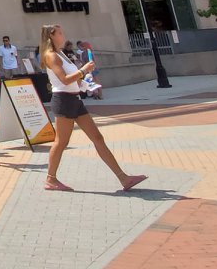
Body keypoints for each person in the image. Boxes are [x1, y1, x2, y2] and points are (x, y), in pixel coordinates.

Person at [39, 24, 146, 193]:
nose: (63, 35)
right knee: (61, 142)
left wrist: (86, 82)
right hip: (63, 100)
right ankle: (50, 179)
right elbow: (65, 79)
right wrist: (83, 70)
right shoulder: (51, 56)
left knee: (97, 137)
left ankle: (123, 178)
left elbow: (73, 80)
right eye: (59, 33)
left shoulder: (61, 54)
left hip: (74, 99)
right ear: (51, 36)